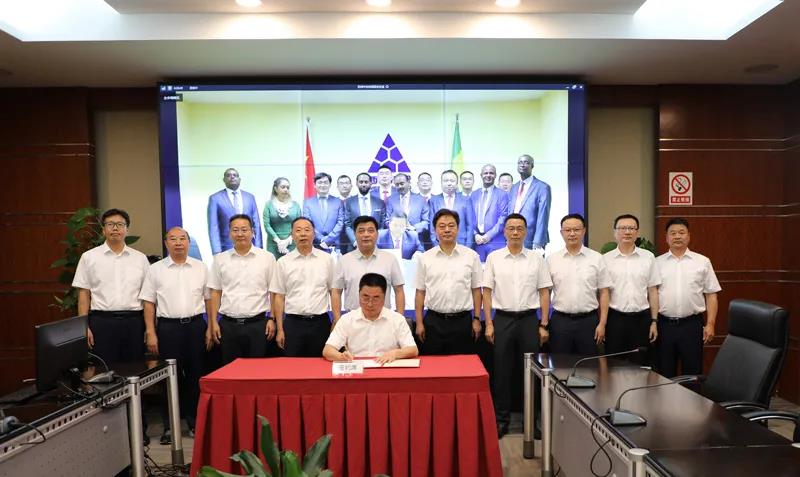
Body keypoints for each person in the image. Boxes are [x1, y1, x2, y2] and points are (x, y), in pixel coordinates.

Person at [482, 213, 552, 439]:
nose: (515, 232)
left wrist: (543, 323)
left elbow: (544, 292)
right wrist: (489, 323)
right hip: (502, 320)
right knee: (501, 372)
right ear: (504, 232)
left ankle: (531, 422)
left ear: (525, 231)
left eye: (519, 228)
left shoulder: (536, 259)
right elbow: (486, 292)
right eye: (511, 228)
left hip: (529, 320)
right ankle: (501, 420)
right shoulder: (494, 258)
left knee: (531, 372)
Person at [139, 227, 209, 442]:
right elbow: (148, 303)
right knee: (170, 378)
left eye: (182, 239)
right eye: (173, 239)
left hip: (196, 326)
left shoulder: (201, 267)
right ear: (166, 243)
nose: (178, 243)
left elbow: (209, 299)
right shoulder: (155, 269)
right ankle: (170, 426)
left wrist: (210, 326)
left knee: (196, 376)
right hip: (168, 329)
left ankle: (196, 423)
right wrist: (151, 332)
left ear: (188, 242)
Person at [73, 208, 150, 365]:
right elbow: (84, 294)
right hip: (102, 323)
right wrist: (83, 327)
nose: (115, 228)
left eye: (120, 224)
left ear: (127, 230)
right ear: (103, 229)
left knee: (134, 370)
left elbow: (148, 296)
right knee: (103, 371)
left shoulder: (140, 259)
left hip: (134, 323)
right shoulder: (89, 257)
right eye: (110, 224)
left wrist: (149, 328)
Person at [206, 214, 276, 365]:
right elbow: (216, 292)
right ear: (229, 233)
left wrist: (272, 319)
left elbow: (274, 292)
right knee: (230, 370)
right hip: (228, 326)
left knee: (257, 370)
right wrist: (213, 322)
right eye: (235, 230)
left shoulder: (267, 258)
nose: (240, 234)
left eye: (244, 230)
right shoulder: (220, 259)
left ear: (252, 232)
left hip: (258, 325)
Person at [656, 217, 721, 377]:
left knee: (692, 374)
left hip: (692, 325)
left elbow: (711, 294)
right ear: (666, 238)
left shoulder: (702, 261)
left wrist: (710, 324)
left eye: (681, 232)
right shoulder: (656, 263)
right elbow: (651, 294)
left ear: (689, 236)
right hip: (664, 326)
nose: (677, 236)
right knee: (664, 374)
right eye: (673, 233)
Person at [415, 209, 483, 355]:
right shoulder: (425, 258)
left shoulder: (471, 256)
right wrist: (419, 323)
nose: (447, 230)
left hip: (462, 322)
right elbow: (420, 292)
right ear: (435, 230)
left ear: (458, 228)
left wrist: (477, 319)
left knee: (461, 366)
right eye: (442, 226)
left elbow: (477, 291)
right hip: (433, 322)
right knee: (434, 366)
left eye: (451, 225)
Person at [546, 213, 611, 355]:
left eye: (576, 230)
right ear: (561, 233)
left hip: (588, 321)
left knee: (588, 365)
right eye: (568, 230)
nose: (572, 234)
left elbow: (604, 292)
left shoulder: (596, 258)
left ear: (584, 231)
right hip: (560, 321)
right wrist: (544, 323)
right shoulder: (551, 260)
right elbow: (546, 293)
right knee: (560, 364)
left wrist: (602, 323)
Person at [271, 217, 336, 357]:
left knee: (320, 365)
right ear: (292, 235)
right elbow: (279, 297)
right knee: (293, 366)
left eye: (307, 230)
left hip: (320, 323)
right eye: (298, 230)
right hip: (293, 324)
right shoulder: (283, 262)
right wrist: (280, 329)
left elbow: (334, 292)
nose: (303, 234)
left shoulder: (327, 260)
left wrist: (336, 321)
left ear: (314, 233)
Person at [603, 214, 660, 365]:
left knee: (641, 364)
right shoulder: (605, 259)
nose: (627, 232)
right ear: (615, 232)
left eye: (631, 228)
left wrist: (654, 321)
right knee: (614, 364)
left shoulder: (648, 257)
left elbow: (653, 291)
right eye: (622, 228)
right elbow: (603, 293)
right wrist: (603, 323)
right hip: (615, 319)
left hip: (642, 320)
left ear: (637, 232)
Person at [323, 273, 418, 363]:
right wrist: (341, 356)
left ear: (384, 298)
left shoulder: (397, 319)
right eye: (365, 297)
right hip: (358, 368)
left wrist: (395, 353)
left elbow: (413, 349)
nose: (370, 304)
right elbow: (327, 350)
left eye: (376, 298)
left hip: (387, 367)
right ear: (359, 295)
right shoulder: (347, 319)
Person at [332, 215, 405, 324]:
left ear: (377, 234)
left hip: (383, 322)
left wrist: (399, 320)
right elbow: (336, 292)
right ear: (355, 234)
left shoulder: (390, 259)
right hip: (352, 322)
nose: (366, 235)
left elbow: (399, 291)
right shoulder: (344, 261)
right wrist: (338, 321)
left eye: (370, 231)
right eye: (361, 231)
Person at [207, 168, 262, 254]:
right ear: (224, 180)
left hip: (250, 247)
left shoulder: (250, 197)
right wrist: (216, 252)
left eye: (235, 175)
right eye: (228, 175)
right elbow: (213, 227)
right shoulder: (215, 198)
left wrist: (259, 248)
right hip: (227, 248)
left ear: (239, 179)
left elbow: (256, 224)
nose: (232, 177)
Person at [508, 155, 551, 250]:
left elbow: (543, 216)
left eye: (526, 162)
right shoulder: (514, 187)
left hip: (532, 239)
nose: (522, 165)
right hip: (513, 237)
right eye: (520, 162)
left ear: (532, 165)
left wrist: (538, 241)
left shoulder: (542, 187)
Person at [471, 164, 509, 261]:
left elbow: (503, 218)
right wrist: (475, 234)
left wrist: (488, 235)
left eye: (491, 173)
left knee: (496, 269)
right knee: (479, 270)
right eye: (485, 173)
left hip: (495, 242)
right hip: (477, 242)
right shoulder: (474, 194)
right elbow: (470, 217)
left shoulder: (502, 194)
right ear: (481, 175)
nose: (488, 175)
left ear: (495, 175)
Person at [429, 169, 474, 247]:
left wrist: (468, 247)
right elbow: (432, 227)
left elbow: (470, 226)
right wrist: (436, 246)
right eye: (446, 181)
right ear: (441, 183)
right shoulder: (434, 200)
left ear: (457, 183)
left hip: (461, 244)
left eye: (452, 181)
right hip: (440, 244)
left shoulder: (466, 200)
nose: (449, 183)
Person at [302, 172, 345, 253]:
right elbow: (308, 223)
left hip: (334, 244)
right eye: (320, 182)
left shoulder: (338, 202)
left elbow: (340, 223)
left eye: (325, 182)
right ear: (314, 185)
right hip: (315, 244)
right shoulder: (307, 203)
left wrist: (328, 239)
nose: (323, 185)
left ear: (330, 185)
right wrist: (321, 239)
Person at [263, 177, 302, 260]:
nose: (286, 189)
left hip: (292, 242)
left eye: (288, 187)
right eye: (283, 187)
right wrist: (279, 242)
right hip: (273, 244)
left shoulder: (296, 205)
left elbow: (299, 225)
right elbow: (267, 225)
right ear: (275, 189)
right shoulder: (269, 205)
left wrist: (288, 241)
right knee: (274, 266)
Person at [344, 173, 386, 249]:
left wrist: (376, 241)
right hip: (355, 247)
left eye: (366, 182)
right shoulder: (349, 202)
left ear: (370, 183)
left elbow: (382, 225)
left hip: (376, 246)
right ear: (356, 183)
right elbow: (347, 225)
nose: (363, 184)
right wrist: (355, 242)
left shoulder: (379, 202)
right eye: (361, 182)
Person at [336, 174, 354, 253]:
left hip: (354, 240)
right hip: (337, 240)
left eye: (346, 183)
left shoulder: (356, 201)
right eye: (341, 183)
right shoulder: (333, 202)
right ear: (337, 187)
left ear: (351, 186)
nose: (344, 186)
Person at [416, 172, 434, 249]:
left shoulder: (438, 200)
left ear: (431, 183)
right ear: (417, 184)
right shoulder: (412, 200)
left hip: (435, 239)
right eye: (422, 180)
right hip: (417, 239)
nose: (425, 182)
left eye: (427, 180)